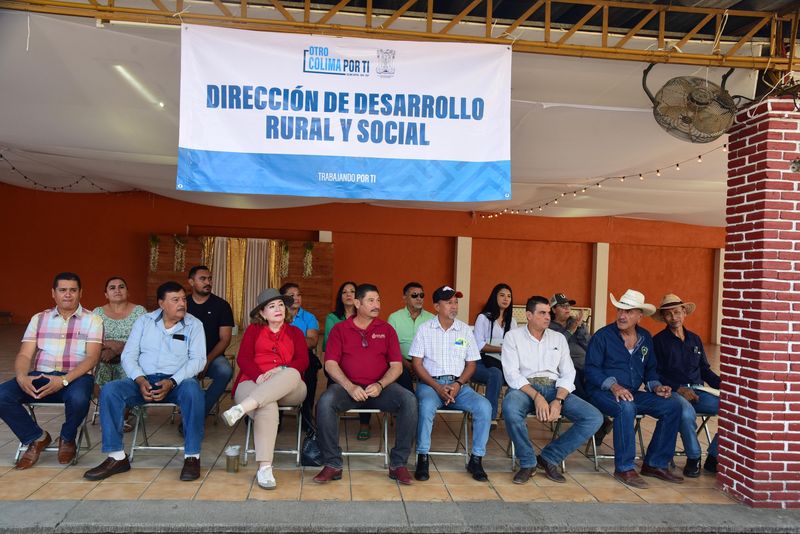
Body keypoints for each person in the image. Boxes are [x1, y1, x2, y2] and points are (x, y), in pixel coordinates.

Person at [84, 281, 206, 482]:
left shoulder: (194, 325)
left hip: (178, 383)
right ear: (161, 304)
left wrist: (172, 382)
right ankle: (117, 457)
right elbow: (129, 355)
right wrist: (140, 379)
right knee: (111, 390)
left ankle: (192, 456)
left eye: (184, 299)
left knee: (194, 391)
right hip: (143, 380)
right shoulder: (144, 321)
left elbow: (198, 360)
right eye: (175, 300)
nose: (182, 304)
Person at [313, 284, 418, 485]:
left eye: (378, 300)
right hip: (348, 389)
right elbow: (330, 363)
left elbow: (396, 367)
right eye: (371, 300)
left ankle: (398, 464)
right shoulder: (340, 329)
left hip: (381, 389)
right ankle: (332, 464)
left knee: (409, 400)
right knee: (325, 403)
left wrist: (380, 384)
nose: (376, 304)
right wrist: (349, 386)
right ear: (357, 303)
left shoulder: (386, 330)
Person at [0, 272, 103, 469]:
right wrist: (22, 376)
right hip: (41, 376)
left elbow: (92, 358)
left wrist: (64, 380)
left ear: (81, 293)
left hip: (75, 378)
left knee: (80, 398)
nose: (68, 295)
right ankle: (36, 437)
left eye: (73, 290)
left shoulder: (93, 320)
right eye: (62, 290)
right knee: (2, 395)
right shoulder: (39, 319)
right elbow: (24, 355)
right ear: (53, 293)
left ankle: (67, 438)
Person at [584, 289, 684, 489]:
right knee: (626, 407)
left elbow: (651, 370)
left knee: (672, 405)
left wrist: (656, 387)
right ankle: (624, 467)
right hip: (601, 392)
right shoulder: (602, 336)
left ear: (640, 316)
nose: (622, 315)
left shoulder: (645, 338)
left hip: (630, 392)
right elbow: (591, 370)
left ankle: (655, 464)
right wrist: (613, 385)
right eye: (620, 310)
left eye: (629, 312)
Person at [502, 296, 603, 484]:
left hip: (554, 388)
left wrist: (559, 400)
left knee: (594, 417)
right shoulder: (513, 336)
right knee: (510, 407)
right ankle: (528, 462)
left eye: (548, 313)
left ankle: (549, 458)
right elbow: (511, 374)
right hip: (524, 389)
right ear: (529, 315)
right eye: (542, 313)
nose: (547, 317)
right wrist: (537, 396)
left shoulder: (558, 338)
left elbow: (568, 372)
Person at [220, 288, 308, 489]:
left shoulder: (295, 332)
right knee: (267, 405)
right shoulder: (254, 331)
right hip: (253, 381)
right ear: (262, 313)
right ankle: (265, 469)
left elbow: (302, 361)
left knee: (292, 372)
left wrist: (281, 369)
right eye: (271, 306)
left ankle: (241, 409)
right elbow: (243, 359)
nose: (278, 309)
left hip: (290, 387)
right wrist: (260, 377)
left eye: (280, 305)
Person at [409, 286, 491, 482]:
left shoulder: (464, 330)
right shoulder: (424, 329)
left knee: (484, 407)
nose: (454, 306)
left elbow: (471, 364)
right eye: (449, 302)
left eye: (456, 302)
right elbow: (417, 364)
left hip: (459, 386)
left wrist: (458, 383)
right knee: (426, 406)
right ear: (437, 306)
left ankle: (477, 458)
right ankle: (422, 457)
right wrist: (437, 387)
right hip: (431, 385)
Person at [653, 294, 720, 477]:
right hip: (674, 391)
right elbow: (655, 374)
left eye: (676, 312)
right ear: (663, 318)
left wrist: (726, 387)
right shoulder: (658, 341)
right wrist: (679, 389)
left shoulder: (695, 339)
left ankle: (714, 457)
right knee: (685, 413)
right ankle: (693, 457)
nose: (673, 318)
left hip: (699, 391)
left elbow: (704, 370)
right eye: (668, 314)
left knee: (733, 409)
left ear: (684, 313)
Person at [93, 277, 146, 431]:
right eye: (112, 287)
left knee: (128, 371)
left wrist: (119, 349)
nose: (117, 290)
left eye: (121, 287)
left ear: (127, 292)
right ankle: (109, 413)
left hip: (132, 356)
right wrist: (109, 347)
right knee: (97, 371)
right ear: (106, 294)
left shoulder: (139, 312)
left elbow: (144, 339)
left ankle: (122, 415)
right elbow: (92, 338)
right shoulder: (97, 313)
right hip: (104, 356)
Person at [324, 280, 371, 439]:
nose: (348, 294)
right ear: (340, 297)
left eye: (352, 291)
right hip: (337, 362)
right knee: (332, 382)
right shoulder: (333, 317)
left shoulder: (366, 317)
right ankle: (330, 422)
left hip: (360, 362)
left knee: (367, 379)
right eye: (344, 292)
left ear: (358, 298)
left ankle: (364, 424)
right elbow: (328, 344)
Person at [186, 265, 234, 418]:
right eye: (203, 279)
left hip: (212, 356)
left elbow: (225, 339)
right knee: (186, 377)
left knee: (225, 371)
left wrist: (206, 361)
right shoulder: (183, 305)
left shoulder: (222, 305)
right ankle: (190, 411)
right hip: (185, 357)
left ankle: (199, 413)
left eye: (209, 279)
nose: (208, 282)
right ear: (191, 282)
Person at [472, 283, 516, 424]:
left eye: (509, 296)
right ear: (494, 297)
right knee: (495, 374)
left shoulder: (512, 322)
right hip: (481, 362)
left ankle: (512, 413)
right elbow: (479, 345)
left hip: (503, 363)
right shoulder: (484, 318)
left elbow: (516, 346)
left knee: (520, 374)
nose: (506, 299)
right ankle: (489, 418)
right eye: (502, 295)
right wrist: (502, 349)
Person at [280, 282, 320, 432]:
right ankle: (276, 412)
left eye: (299, 295)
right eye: (292, 295)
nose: (296, 298)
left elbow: (312, 342)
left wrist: (287, 341)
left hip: (302, 355)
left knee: (311, 366)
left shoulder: (309, 317)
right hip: (279, 355)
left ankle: (307, 413)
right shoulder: (277, 315)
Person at [387, 281, 434, 392]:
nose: (419, 298)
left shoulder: (431, 318)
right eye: (414, 295)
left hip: (425, 362)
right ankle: (411, 401)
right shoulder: (394, 318)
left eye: (421, 295)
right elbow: (390, 347)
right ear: (405, 298)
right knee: (401, 372)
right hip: (402, 361)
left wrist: (418, 364)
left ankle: (426, 399)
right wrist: (407, 364)